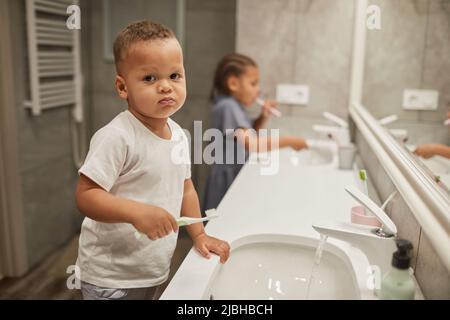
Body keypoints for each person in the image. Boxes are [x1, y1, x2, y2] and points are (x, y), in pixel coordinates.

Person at [75, 20, 230, 300]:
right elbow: (86, 196)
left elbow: (186, 189)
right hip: (111, 277)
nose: (166, 87)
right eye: (150, 78)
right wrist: (136, 212)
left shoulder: (180, 136)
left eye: (174, 75)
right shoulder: (117, 136)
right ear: (123, 87)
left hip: (152, 269)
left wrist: (199, 235)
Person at [203, 53, 308, 210]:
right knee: (223, 225)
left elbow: (249, 134)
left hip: (233, 173)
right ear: (233, 83)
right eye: (253, 84)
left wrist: (262, 117)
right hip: (227, 179)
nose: (257, 90)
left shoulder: (234, 106)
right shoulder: (228, 107)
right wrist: (291, 141)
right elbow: (252, 144)